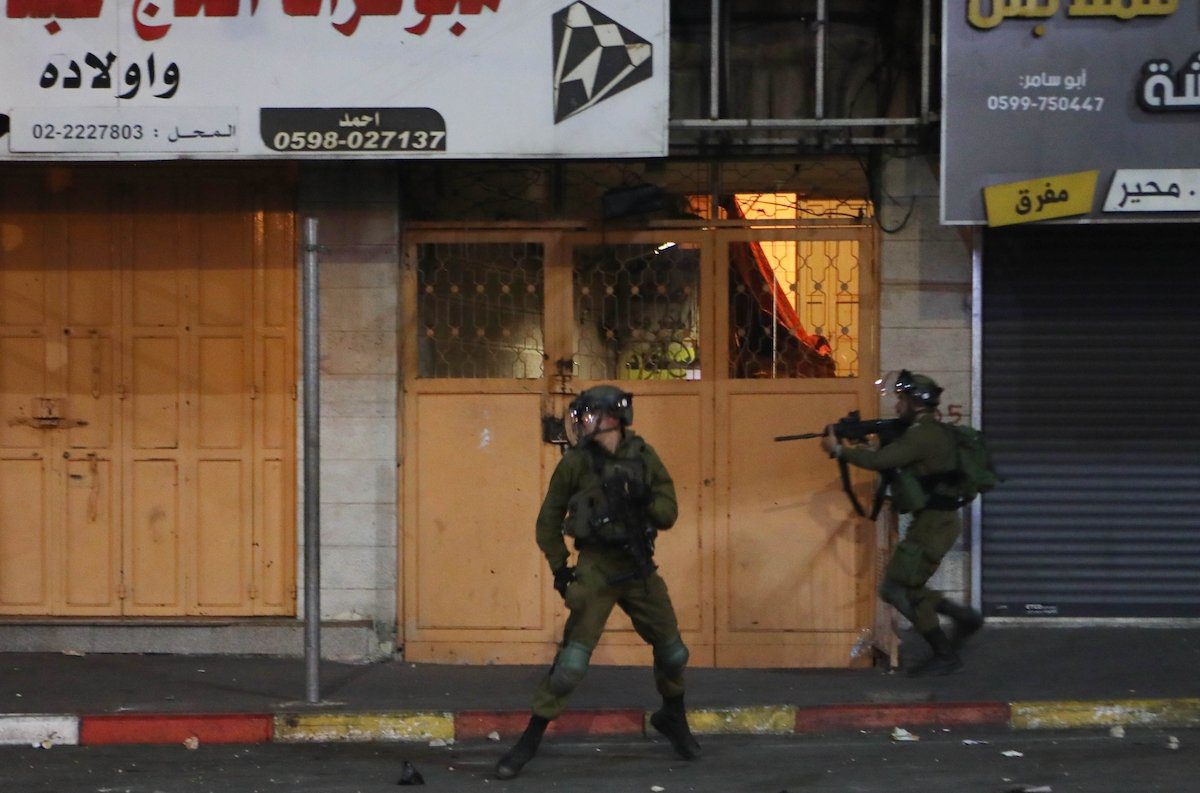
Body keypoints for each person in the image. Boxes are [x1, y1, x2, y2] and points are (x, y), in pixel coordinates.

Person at [496, 384, 700, 779]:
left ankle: (673, 716)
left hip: (638, 566)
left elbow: (668, 512)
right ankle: (529, 740)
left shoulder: (643, 456)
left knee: (673, 653)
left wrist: (643, 497)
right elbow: (546, 524)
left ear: (611, 417)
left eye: (589, 414)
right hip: (597, 567)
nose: (582, 422)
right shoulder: (575, 463)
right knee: (570, 665)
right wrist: (561, 569)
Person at [820, 370, 984, 676]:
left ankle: (948, 647)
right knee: (904, 588)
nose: (896, 407)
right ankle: (956, 626)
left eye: (901, 400)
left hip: (935, 525)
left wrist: (840, 450)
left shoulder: (922, 435)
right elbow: (897, 459)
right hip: (934, 523)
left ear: (914, 403)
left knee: (897, 589)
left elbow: (883, 462)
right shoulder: (929, 431)